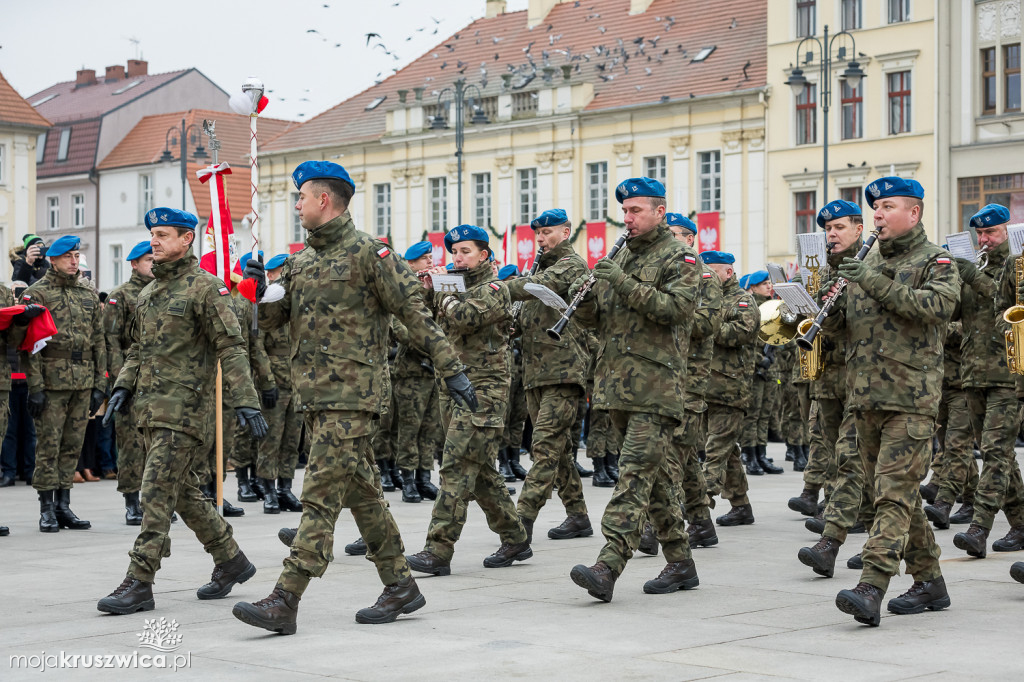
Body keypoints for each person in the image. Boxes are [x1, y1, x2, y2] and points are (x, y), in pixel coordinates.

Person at [234, 161, 475, 634]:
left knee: (319, 496)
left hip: (354, 397)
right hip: (315, 397)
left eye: (301, 197)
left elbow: (416, 316)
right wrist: (258, 293)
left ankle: (286, 598)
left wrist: (453, 371)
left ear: (324, 200)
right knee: (364, 496)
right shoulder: (300, 262)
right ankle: (401, 585)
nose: (297, 205)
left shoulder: (371, 255)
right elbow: (273, 322)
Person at [96, 207, 268, 615]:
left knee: (154, 490)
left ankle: (140, 581)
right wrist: (122, 385)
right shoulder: (150, 292)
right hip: (149, 409)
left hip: (186, 413)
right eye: (152, 235)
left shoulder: (206, 288)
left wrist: (246, 399)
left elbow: (232, 345)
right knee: (185, 494)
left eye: (162, 235)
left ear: (186, 239)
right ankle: (231, 560)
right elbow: (138, 349)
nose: (154, 242)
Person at [829, 177, 957, 626]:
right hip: (864, 398)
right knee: (897, 496)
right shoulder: (863, 262)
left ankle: (871, 585)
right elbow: (847, 327)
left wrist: (871, 279)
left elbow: (936, 308)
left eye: (886, 207)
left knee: (892, 493)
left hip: (910, 398)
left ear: (914, 213)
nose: (877, 216)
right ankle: (930, 582)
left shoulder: (935, 260)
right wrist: (816, 315)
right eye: (875, 209)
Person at [567, 177, 700, 602]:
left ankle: (608, 564)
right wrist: (582, 299)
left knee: (634, 475)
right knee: (656, 478)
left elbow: (676, 310)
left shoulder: (680, 257)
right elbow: (599, 320)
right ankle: (680, 561)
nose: (627, 219)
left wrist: (620, 281)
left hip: (656, 388)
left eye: (636, 211)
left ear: (660, 212)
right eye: (624, 211)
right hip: (617, 387)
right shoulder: (619, 255)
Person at [405, 225, 532, 575]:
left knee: (456, 467)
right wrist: (427, 287)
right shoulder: (454, 286)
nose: (456, 258)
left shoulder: (494, 288)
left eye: (464, 252)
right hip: (452, 389)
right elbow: (421, 317)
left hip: (484, 392)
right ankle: (515, 536)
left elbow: (464, 317)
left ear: (484, 255)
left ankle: (438, 549)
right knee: (481, 475)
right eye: (454, 252)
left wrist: (442, 292)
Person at [796, 200, 875, 577]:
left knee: (872, 467)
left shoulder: (875, 265)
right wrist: (808, 307)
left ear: (859, 229)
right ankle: (850, 539)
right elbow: (838, 324)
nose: (832, 235)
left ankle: (866, 540)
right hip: (844, 377)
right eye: (828, 229)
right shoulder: (834, 271)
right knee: (848, 456)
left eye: (839, 227)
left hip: (879, 382)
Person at [505, 208, 593, 541]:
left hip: (563, 373)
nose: (541, 240)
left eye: (548, 233)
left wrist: (502, 289)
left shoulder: (571, 265)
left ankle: (520, 522)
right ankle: (578, 516)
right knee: (560, 451)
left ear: (566, 232)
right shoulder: (538, 268)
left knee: (543, 448)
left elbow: (542, 285)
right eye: (538, 235)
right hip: (535, 374)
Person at [15, 235, 106, 533]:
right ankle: (46, 507)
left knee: (72, 446)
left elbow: (98, 341)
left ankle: (63, 505)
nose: (74, 261)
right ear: (52, 260)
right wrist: (36, 387)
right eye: (68, 256)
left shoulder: (88, 294)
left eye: (77, 255)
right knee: (49, 445)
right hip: (52, 381)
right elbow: (31, 345)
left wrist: (98, 385)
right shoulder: (37, 293)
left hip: (82, 380)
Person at [952, 203, 1024, 556]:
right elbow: (953, 315)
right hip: (973, 373)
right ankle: (1022, 524)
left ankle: (979, 526)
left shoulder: (1018, 265)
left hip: (1008, 373)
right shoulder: (973, 267)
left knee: (996, 452)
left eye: (991, 233)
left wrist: (970, 276)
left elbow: (1005, 300)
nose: (984, 240)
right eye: (979, 234)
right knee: (1001, 455)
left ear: (1007, 231)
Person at [666, 212, 723, 550]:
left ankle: (652, 524)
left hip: (690, 379)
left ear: (690, 239)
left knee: (670, 455)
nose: (668, 239)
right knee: (683, 457)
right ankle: (701, 522)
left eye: (674, 234)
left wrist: (666, 310)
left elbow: (706, 325)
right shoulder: (667, 273)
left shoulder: (704, 278)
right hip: (665, 376)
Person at [696, 251, 760, 528]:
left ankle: (696, 509)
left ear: (728, 273)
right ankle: (741, 505)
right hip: (705, 386)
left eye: (708, 273)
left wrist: (705, 324)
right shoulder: (704, 301)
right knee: (726, 451)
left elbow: (740, 334)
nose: (703, 279)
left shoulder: (743, 301)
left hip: (730, 389)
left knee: (715, 451)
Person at [104, 240, 155, 525]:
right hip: (131, 377)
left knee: (156, 444)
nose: (153, 264)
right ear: (134, 264)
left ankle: (153, 500)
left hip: (158, 379)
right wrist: (117, 380)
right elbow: (110, 341)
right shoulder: (120, 296)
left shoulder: (161, 290)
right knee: (131, 444)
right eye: (147, 260)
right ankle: (132, 501)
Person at [391, 241, 445, 503]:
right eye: (424, 259)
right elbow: (403, 330)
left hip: (432, 371)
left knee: (429, 428)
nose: (430, 263)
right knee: (409, 429)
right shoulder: (402, 290)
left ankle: (425, 477)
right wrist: (432, 349)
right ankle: (408, 480)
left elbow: (443, 322)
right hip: (411, 371)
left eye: (430, 258)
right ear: (410, 264)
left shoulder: (433, 289)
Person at [253, 253, 304, 513]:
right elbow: (258, 347)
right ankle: (268, 490)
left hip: (298, 382)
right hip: (276, 381)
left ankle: (285, 487)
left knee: (292, 440)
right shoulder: (270, 303)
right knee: (270, 439)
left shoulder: (297, 303)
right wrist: (267, 382)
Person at [745, 271, 784, 475]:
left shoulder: (774, 308)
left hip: (771, 369)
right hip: (755, 368)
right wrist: (761, 360)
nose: (768, 286)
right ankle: (750, 456)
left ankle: (761, 454)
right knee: (753, 414)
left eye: (769, 283)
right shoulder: (752, 308)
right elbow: (747, 342)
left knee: (765, 415)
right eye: (763, 284)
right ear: (753, 288)